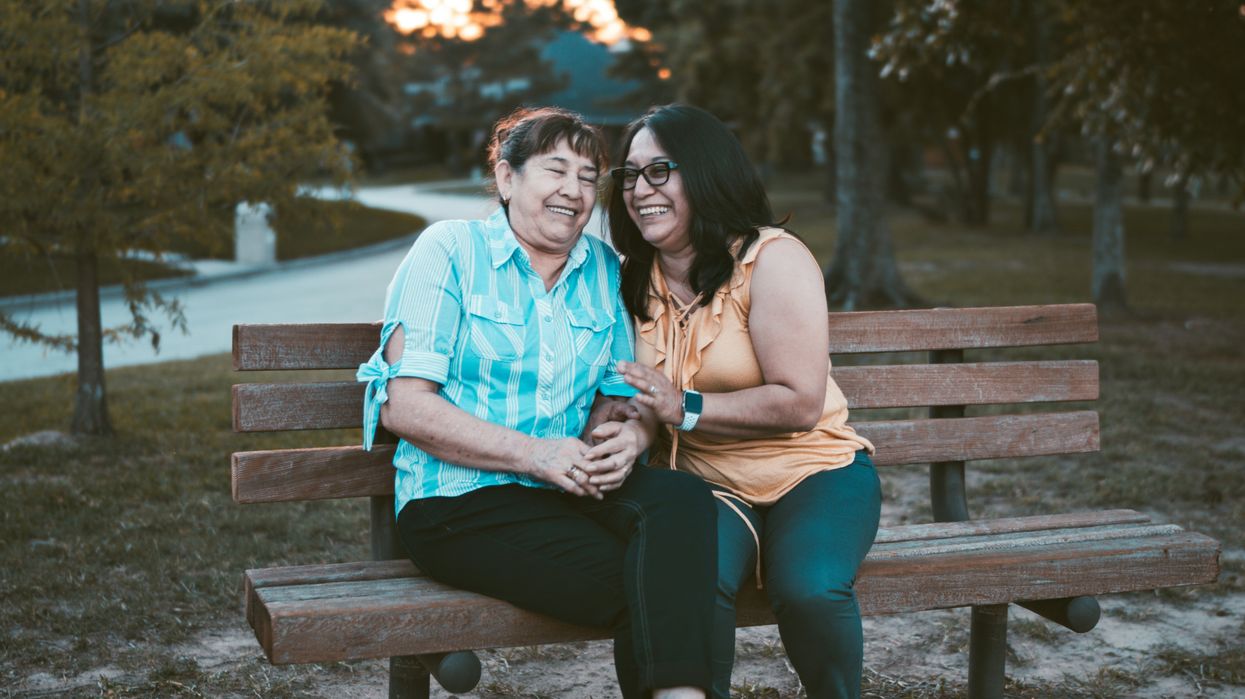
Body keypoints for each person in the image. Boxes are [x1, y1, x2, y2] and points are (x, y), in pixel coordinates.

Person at [356, 107, 715, 699]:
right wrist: (533, 454)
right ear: (506, 178)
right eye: (555, 170)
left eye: (587, 176)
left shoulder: (604, 269)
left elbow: (618, 395)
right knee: (655, 586)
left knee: (681, 500)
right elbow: (405, 406)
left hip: (566, 491)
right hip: (456, 505)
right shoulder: (449, 251)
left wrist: (626, 435)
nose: (573, 191)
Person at [606, 104, 882, 699]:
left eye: (660, 171)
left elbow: (800, 402)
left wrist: (686, 407)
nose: (639, 189)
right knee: (683, 586)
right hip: (705, 485)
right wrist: (630, 427)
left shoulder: (771, 259)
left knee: (809, 587)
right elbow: (638, 397)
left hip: (814, 473)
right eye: (629, 174)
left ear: (704, 173)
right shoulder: (630, 278)